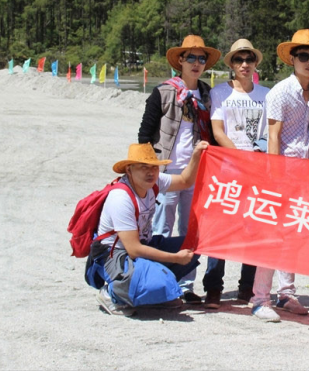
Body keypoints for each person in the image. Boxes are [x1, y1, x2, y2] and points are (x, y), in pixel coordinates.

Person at [249, 29, 309, 322]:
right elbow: (273, 136)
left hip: (302, 170)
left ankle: (286, 292)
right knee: (272, 235)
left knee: (293, 233)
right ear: (292, 59)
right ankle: (259, 299)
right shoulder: (280, 92)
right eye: (304, 56)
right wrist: (274, 177)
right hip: (282, 169)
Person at [138, 35, 221, 303]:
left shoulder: (208, 94)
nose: (196, 63)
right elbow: (144, 135)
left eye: (201, 59)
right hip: (166, 173)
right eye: (191, 58)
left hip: (196, 173)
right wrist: (147, 172)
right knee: (161, 229)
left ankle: (186, 286)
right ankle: (160, 284)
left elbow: (215, 133)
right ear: (180, 61)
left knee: (189, 230)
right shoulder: (163, 92)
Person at [89, 141, 209, 316]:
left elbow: (184, 181)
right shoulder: (121, 197)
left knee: (194, 245)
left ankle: (155, 293)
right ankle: (112, 294)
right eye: (143, 167)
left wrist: (196, 154)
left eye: (154, 167)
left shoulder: (155, 182)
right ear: (129, 170)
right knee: (161, 281)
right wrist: (175, 258)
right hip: (115, 255)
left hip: (143, 245)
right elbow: (134, 249)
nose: (150, 172)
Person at [201, 39, 269, 308]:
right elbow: (218, 131)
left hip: (258, 170)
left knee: (253, 228)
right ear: (231, 64)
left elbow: (268, 131)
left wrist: (257, 158)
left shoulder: (266, 94)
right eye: (239, 60)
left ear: (255, 63)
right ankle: (213, 287)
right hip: (228, 169)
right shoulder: (220, 92)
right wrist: (240, 158)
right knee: (221, 228)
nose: (244, 64)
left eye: (249, 59)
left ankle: (247, 287)